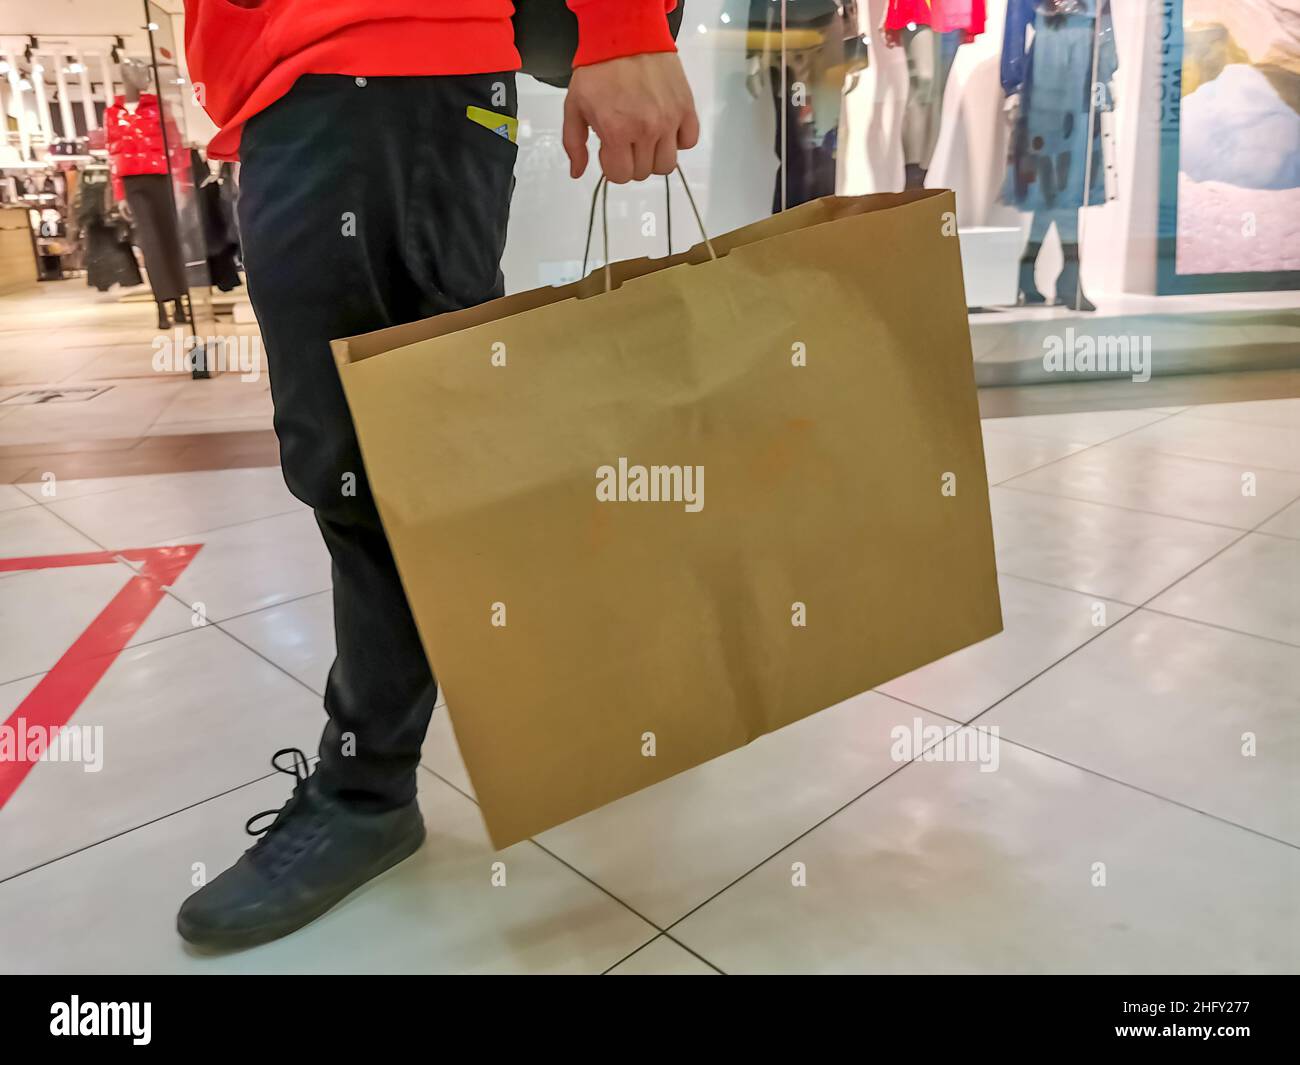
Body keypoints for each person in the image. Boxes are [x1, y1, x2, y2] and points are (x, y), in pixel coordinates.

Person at [176, 0, 699, 950]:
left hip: (390, 61)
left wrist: (623, 23)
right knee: (367, 458)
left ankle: (368, 787)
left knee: (390, 465)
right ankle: (430, 756)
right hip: (297, 82)